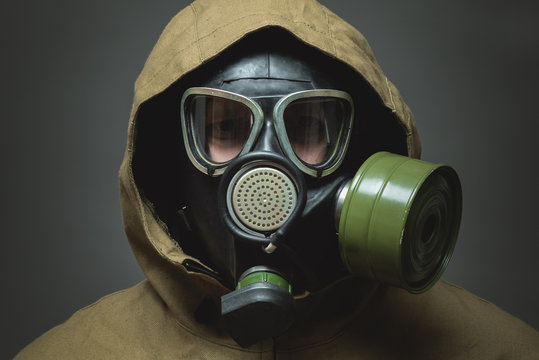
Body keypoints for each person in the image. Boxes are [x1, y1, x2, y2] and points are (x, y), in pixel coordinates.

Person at [15, 0, 539, 358]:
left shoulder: (495, 350)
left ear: (362, 152)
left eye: (308, 127)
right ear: (166, 162)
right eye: (223, 127)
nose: (265, 171)